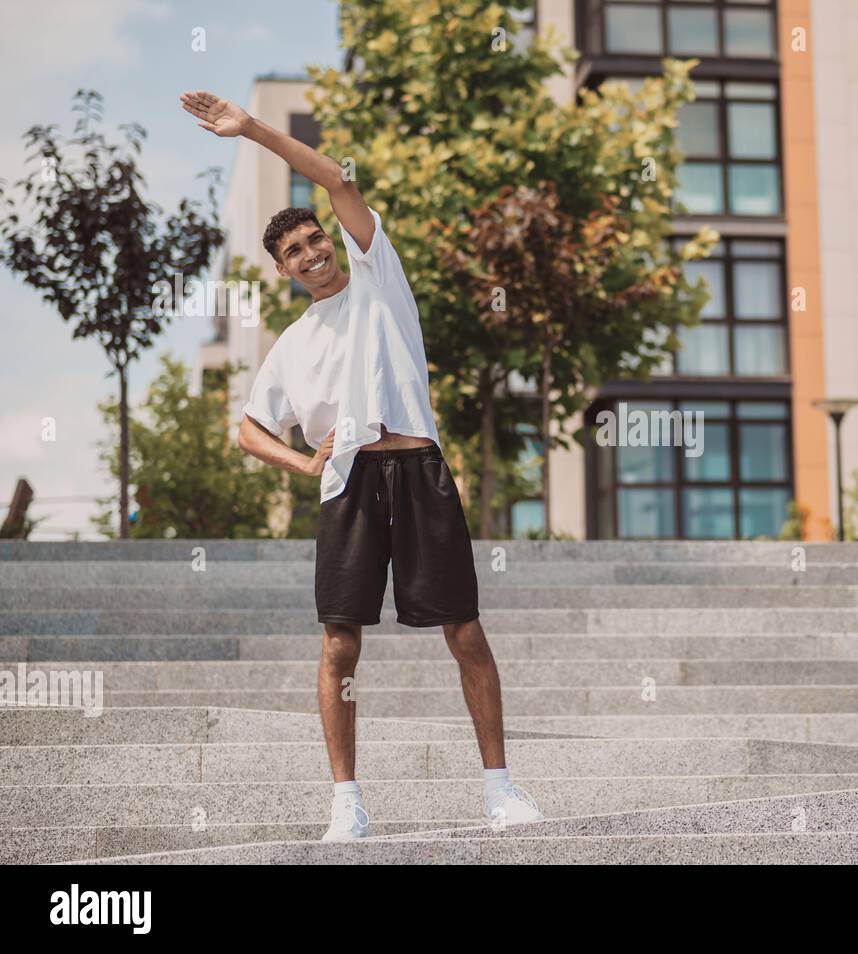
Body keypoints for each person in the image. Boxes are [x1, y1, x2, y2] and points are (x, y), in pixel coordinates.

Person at [179, 90, 543, 837]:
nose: (312, 253)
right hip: (347, 485)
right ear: (282, 270)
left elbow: (338, 181)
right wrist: (303, 466)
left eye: (315, 240)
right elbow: (246, 430)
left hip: (417, 472)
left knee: (465, 631)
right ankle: (346, 801)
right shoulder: (293, 342)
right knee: (339, 642)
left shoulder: (379, 279)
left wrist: (248, 129)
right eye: (294, 253)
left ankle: (500, 790)